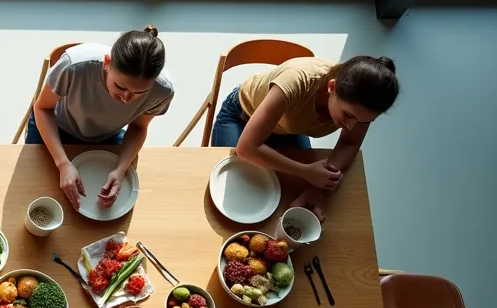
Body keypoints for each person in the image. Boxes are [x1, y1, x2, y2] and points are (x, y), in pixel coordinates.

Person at [211, 55, 400, 221]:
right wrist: (305, 172)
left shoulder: (360, 107)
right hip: (241, 117)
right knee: (238, 194)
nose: (351, 126)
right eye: (348, 115)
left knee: (287, 198)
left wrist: (319, 188)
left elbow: (350, 142)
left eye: (362, 122)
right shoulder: (297, 79)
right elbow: (247, 148)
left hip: (288, 129)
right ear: (331, 87)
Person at [29, 27, 173, 210]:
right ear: (107, 62)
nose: (127, 99)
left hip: (106, 135)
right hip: (54, 125)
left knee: (115, 202)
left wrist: (120, 171)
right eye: (120, 87)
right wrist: (63, 163)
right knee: (35, 191)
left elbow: (139, 127)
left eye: (140, 93)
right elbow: (42, 108)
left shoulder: (163, 90)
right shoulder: (75, 65)